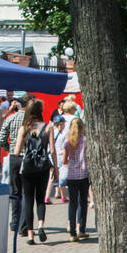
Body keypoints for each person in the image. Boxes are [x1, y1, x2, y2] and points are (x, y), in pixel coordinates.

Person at [14, 99, 57, 245]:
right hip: (43, 167)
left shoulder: (24, 128)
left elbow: (17, 151)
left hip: (27, 168)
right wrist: (55, 168)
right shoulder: (48, 127)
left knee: (28, 199)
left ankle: (30, 235)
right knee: (40, 198)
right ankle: (41, 225)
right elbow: (52, 149)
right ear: (40, 111)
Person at [0, 92, 32, 232]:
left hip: (13, 157)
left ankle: (14, 222)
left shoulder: (11, 118)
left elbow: (0, 139)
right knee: (26, 192)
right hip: (28, 157)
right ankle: (24, 225)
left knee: (15, 191)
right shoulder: (33, 121)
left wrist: (9, 148)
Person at [62, 112, 89, 241]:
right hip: (84, 173)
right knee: (83, 202)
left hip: (71, 174)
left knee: (72, 203)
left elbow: (64, 160)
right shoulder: (85, 140)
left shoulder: (67, 140)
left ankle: (72, 232)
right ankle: (81, 229)